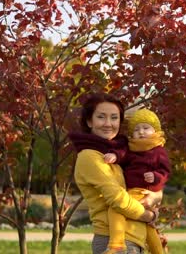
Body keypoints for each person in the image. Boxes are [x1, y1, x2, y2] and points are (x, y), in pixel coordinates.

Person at [69, 93, 161, 254]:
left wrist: (155, 196)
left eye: (114, 118)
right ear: (89, 121)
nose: (108, 124)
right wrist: (149, 216)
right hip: (114, 240)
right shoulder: (90, 156)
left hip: (133, 237)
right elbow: (118, 198)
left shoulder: (120, 155)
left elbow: (146, 181)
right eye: (101, 117)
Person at [103, 108, 171, 254]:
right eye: (137, 129)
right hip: (132, 192)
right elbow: (122, 154)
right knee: (149, 226)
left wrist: (156, 177)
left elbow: (165, 172)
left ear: (156, 131)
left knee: (115, 209)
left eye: (146, 128)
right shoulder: (131, 148)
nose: (141, 132)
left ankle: (116, 245)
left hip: (144, 191)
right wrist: (114, 156)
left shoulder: (159, 151)